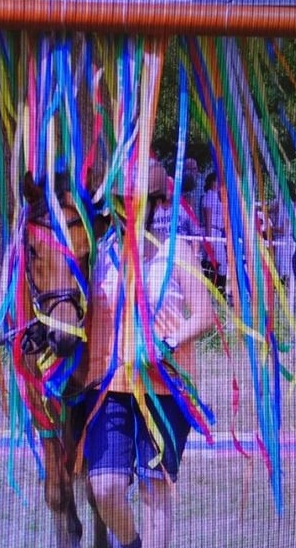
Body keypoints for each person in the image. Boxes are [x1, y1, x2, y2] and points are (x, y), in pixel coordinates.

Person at [81, 168, 216, 548]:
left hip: (166, 390)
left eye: (137, 202)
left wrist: (166, 345)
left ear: (156, 204)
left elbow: (206, 315)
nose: (128, 210)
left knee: (155, 491)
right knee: (104, 487)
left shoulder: (178, 253)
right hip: (110, 387)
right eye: (121, 202)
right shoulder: (99, 257)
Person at [201, 172, 227, 296]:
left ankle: (215, 288)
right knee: (220, 261)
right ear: (211, 182)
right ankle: (218, 289)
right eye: (216, 181)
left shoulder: (216, 196)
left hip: (218, 232)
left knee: (214, 261)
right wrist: (209, 238)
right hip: (212, 232)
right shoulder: (209, 196)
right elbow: (208, 217)